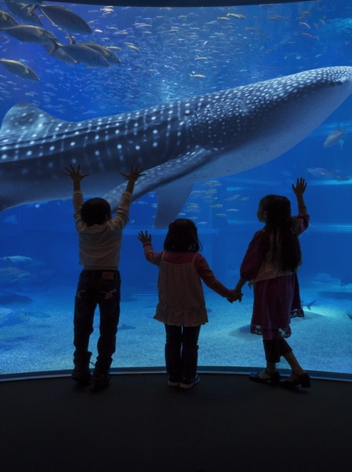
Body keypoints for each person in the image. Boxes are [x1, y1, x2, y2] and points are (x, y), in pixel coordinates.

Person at [65, 163, 144, 389]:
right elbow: (124, 206)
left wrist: (76, 182)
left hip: (86, 278)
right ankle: (101, 371)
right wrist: (131, 181)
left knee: (82, 323)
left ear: (83, 215)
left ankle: (80, 367)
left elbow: (77, 205)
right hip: (109, 278)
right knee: (108, 325)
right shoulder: (115, 227)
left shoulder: (81, 227)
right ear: (108, 214)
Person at [138, 220, 238, 389]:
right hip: (192, 309)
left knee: (172, 342)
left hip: (170, 308)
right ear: (193, 237)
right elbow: (211, 282)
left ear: (170, 236)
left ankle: (173, 377)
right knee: (190, 343)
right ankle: (188, 378)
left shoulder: (162, 257)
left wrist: (147, 244)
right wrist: (228, 294)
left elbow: (149, 256)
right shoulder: (197, 259)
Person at [233, 178, 311, 389]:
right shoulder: (292, 229)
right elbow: (304, 218)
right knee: (272, 328)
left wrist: (238, 287)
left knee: (270, 329)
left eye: (259, 208)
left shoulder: (263, 236)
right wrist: (300, 196)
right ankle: (271, 370)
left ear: (266, 214)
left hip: (269, 287)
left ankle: (297, 370)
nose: (257, 211)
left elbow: (250, 266)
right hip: (288, 284)